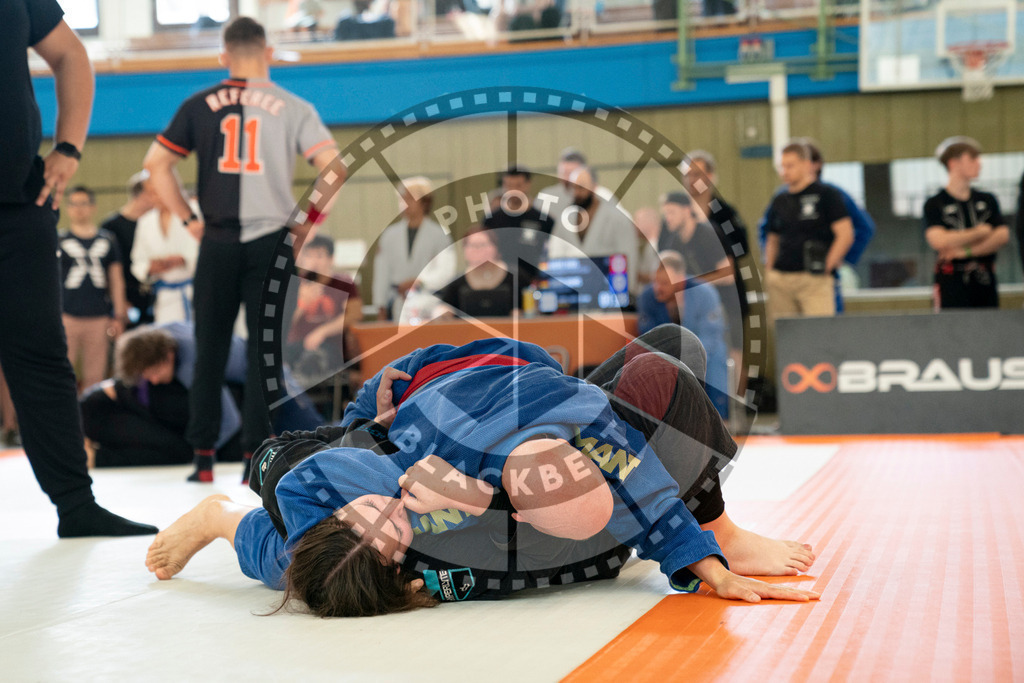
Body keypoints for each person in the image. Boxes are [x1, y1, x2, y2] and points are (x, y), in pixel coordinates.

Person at [147, 327, 819, 615]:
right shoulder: (418, 538)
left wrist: (214, 518)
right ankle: (700, 526)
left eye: (369, 514)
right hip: (514, 465)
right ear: (401, 572)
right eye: (392, 533)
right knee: (664, 366)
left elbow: (269, 533)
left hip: (405, 426)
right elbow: (609, 445)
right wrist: (704, 545)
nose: (389, 515)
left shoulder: (316, 527)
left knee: (283, 461)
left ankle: (643, 516)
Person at [143, 16, 342, 484]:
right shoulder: (293, 105)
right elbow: (334, 167)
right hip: (273, 240)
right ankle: (256, 456)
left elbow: (156, 165)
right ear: (269, 53)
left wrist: (190, 220)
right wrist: (306, 224)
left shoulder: (198, 104)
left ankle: (204, 458)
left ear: (222, 57)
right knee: (264, 352)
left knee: (208, 346)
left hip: (216, 238)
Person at [0, 0, 155, 537]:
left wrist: (67, 147)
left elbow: (69, 54)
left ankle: (75, 504)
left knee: (41, 357)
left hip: (19, 203)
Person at [755, 140, 875, 314]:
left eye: (791, 166)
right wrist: (770, 271)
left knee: (820, 333)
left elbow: (854, 231)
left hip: (816, 277)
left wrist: (832, 263)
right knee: (785, 334)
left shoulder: (829, 194)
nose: (785, 172)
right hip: (782, 278)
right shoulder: (779, 199)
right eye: (782, 166)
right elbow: (769, 235)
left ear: (808, 165)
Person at [637, 251, 729, 417]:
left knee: (717, 355)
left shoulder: (705, 293)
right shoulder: (647, 297)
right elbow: (648, 337)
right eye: (655, 282)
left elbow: (711, 336)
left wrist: (689, 359)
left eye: (664, 283)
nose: (658, 288)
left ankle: (719, 419)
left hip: (702, 352)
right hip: (664, 355)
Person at [923, 136, 1010, 310]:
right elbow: (939, 240)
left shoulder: (987, 200)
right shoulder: (936, 203)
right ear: (953, 163)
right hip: (951, 281)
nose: (979, 163)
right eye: (972, 158)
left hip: (984, 280)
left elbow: (1001, 235)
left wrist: (964, 251)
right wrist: (980, 232)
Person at [59, 186, 129, 391]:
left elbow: (116, 280)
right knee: (63, 373)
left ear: (92, 207)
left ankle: (92, 420)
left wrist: (119, 315)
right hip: (67, 316)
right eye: (74, 204)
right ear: (68, 208)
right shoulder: (60, 240)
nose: (79, 209)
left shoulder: (107, 240)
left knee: (96, 377)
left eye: (84, 204)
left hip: (99, 317)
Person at [371, 176, 454, 321]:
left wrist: (419, 281)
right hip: (397, 299)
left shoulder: (439, 234)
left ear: (424, 201)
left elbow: (446, 270)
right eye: (401, 199)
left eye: (409, 199)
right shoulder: (390, 235)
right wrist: (381, 306)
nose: (404, 204)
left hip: (428, 299)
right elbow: (381, 272)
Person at [545, 166, 639, 292]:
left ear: (594, 187)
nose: (577, 193)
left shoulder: (617, 218)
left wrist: (627, 292)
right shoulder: (565, 219)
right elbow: (555, 256)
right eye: (574, 188)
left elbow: (629, 257)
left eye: (581, 188)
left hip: (609, 289)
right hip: (575, 290)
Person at [286, 235, 362, 379]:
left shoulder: (343, 283)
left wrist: (322, 332)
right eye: (309, 256)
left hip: (330, 347)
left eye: (319, 256)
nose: (313, 261)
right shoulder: (295, 284)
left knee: (315, 361)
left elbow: (354, 314)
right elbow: (284, 324)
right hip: (297, 346)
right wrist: (303, 304)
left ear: (331, 259)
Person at [130, 185, 199, 324]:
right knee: (168, 340)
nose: (154, 198)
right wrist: (150, 268)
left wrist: (184, 260)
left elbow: (211, 250)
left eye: (157, 193)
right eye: (150, 194)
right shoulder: (145, 221)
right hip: (164, 295)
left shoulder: (194, 211)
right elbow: (137, 261)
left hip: (195, 290)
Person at [100, 171, 158, 327]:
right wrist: (119, 302)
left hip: (154, 296)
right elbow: (105, 269)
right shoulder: (110, 227)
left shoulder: (154, 224)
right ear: (143, 195)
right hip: (126, 298)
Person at [482, 166, 555, 289]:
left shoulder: (544, 221)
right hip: (499, 285)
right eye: (509, 185)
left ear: (528, 185)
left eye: (518, 185)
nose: (513, 190)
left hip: (533, 284)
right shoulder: (491, 221)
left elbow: (551, 255)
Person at [434, 226, 517, 318]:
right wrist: (443, 312)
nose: (478, 250)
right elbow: (442, 307)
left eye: (483, 245)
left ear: (495, 247)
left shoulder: (515, 276)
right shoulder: (457, 282)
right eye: (473, 245)